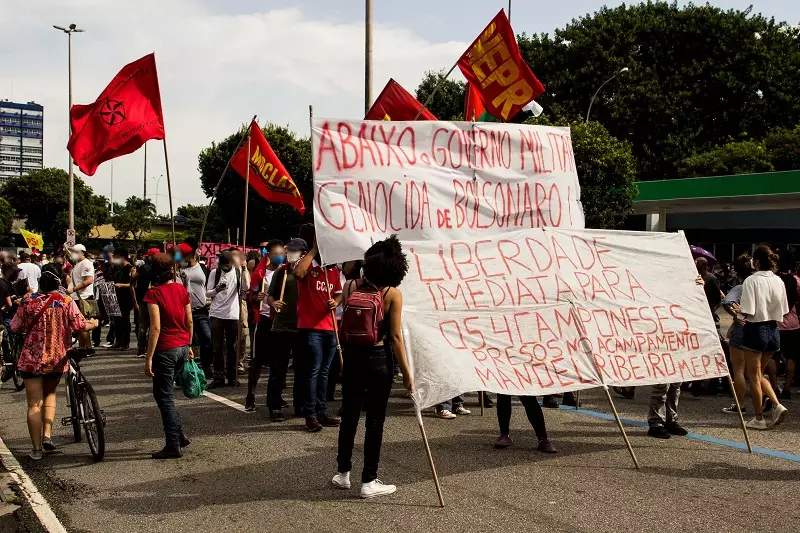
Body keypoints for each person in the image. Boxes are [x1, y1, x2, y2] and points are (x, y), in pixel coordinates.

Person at [332, 236, 414, 499]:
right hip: (379, 358)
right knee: (375, 420)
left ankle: (342, 473)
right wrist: (408, 375)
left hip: (353, 358)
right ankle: (369, 480)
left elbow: (347, 322)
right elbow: (395, 338)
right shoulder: (392, 294)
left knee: (350, 417)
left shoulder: (349, 286)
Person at [10, 263, 97, 459]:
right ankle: (47, 435)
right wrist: (95, 323)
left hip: (31, 360)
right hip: (56, 359)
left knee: (33, 404)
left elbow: (15, 327)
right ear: (59, 281)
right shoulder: (65, 301)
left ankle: (36, 450)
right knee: (50, 394)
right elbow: (79, 325)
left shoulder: (27, 301)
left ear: (41, 281)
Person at [143, 253, 193, 459]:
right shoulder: (181, 289)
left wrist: (148, 359)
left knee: (165, 397)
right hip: (182, 346)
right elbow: (190, 321)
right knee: (164, 395)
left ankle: (173, 443)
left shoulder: (153, 293)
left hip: (165, 348)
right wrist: (189, 344)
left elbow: (155, 328)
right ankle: (178, 436)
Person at [292, 235, 343, 432]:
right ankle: (310, 415)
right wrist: (313, 249)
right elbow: (297, 274)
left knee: (325, 373)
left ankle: (322, 412)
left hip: (330, 327)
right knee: (312, 372)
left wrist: (335, 302)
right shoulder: (307, 266)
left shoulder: (333, 271)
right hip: (310, 328)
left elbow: (339, 293)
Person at [739, 245, 789, 430]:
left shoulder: (751, 280)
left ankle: (759, 417)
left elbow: (747, 310)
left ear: (756, 261)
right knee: (759, 374)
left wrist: (738, 313)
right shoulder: (778, 280)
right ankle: (776, 405)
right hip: (774, 330)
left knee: (753, 376)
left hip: (755, 329)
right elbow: (784, 309)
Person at [264, 238, 305, 420]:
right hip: (281, 327)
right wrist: (274, 302)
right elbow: (269, 296)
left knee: (302, 371)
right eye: (289, 250)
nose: (290, 253)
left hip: (302, 327)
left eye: (295, 250)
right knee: (278, 370)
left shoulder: (308, 274)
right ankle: (274, 406)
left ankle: (300, 405)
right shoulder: (281, 273)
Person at [245, 240, 286, 412]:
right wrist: (257, 297)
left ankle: (276, 396)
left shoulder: (286, 272)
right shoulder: (261, 273)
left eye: (281, 253)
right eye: (275, 254)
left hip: (281, 321)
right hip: (264, 320)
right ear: (268, 255)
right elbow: (251, 296)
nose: (279, 256)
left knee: (279, 362)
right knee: (258, 361)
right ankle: (251, 394)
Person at [720, 253, 754, 414]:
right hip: (760, 328)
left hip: (742, 330)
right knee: (757, 370)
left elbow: (726, 301)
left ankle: (739, 405)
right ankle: (770, 399)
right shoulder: (760, 284)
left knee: (739, 370)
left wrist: (736, 315)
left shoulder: (741, 287)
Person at [207, 251, 242, 387]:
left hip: (232, 314)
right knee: (217, 347)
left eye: (227, 266)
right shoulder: (214, 273)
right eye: (223, 266)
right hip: (216, 313)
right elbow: (207, 292)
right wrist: (216, 290)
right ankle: (218, 377)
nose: (225, 269)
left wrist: (244, 270)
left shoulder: (238, 272)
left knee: (232, 347)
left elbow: (246, 288)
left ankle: (232, 377)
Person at [180, 244, 212, 378]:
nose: (182, 257)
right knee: (186, 341)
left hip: (201, 310)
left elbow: (209, 287)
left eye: (185, 254)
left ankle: (206, 367)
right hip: (184, 310)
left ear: (192, 254)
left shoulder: (203, 268)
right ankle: (185, 369)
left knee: (207, 339)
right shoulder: (179, 270)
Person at [777, 254, 799, 400]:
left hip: (776, 323)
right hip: (793, 324)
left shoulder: (775, 280)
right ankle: (787, 388)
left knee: (773, 357)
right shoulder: (796, 281)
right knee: (791, 357)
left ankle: (774, 387)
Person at [66, 244, 96, 349]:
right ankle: (86, 347)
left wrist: (73, 289)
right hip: (76, 297)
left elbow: (89, 280)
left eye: (76, 252)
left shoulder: (86, 263)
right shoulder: (78, 263)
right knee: (81, 324)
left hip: (83, 297)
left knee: (82, 324)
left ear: (83, 252)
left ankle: (86, 348)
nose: (73, 254)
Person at [132, 248, 159, 358]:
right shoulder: (162, 268)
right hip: (155, 300)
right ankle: (152, 348)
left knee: (143, 326)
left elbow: (134, 279)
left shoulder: (143, 268)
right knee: (154, 325)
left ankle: (141, 350)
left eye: (148, 255)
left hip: (144, 299)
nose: (146, 257)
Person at [109, 248, 133, 351]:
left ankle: (125, 342)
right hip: (116, 297)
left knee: (125, 320)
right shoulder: (117, 268)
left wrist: (121, 285)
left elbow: (132, 284)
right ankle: (118, 341)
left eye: (117, 257)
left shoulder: (130, 268)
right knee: (116, 320)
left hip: (126, 298)